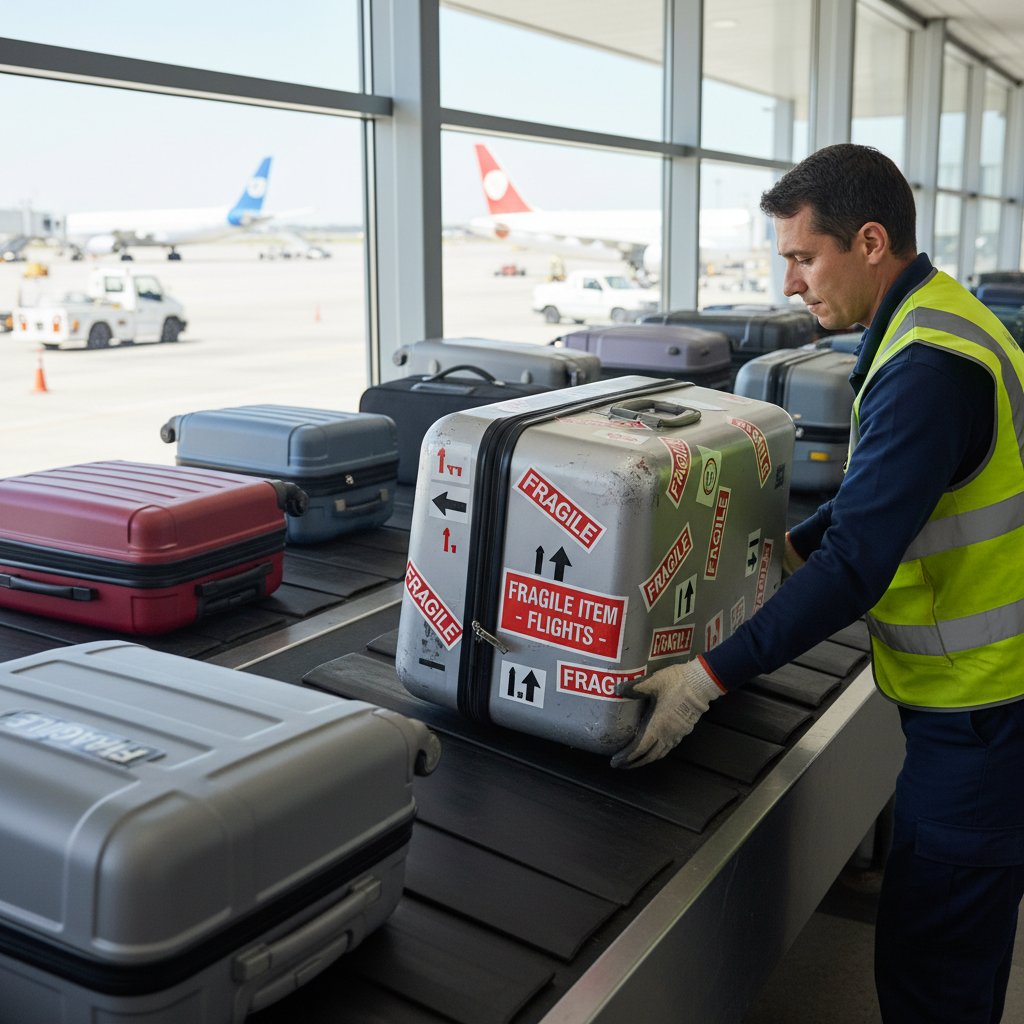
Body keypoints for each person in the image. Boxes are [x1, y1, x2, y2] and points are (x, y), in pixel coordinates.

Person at [612, 143, 1024, 1024]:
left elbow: (858, 568)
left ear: (870, 241)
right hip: (987, 700)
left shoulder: (924, 367)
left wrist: (705, 676)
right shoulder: (946, 320)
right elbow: (894, 501)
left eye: (804, 256)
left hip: (985, 715)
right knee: (951, 945)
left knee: (934, 968)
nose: (792, 283)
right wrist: (784, 552)